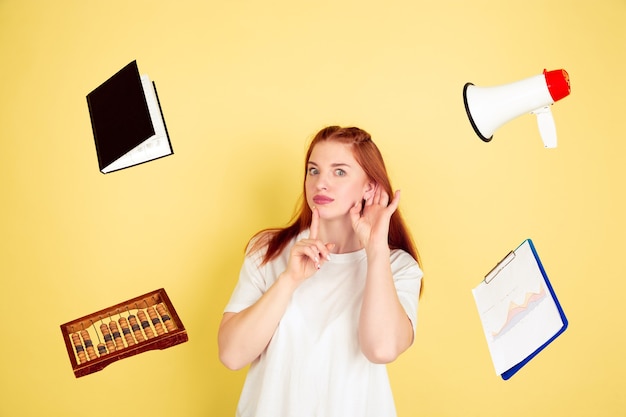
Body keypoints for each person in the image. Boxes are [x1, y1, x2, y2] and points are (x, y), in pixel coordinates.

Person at [218, 126, 423, 417]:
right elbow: (231, 355)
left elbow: (382, 349)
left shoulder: (398, 267)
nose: (320, 184)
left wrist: (376, 250)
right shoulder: (269, 251)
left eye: (339, 172)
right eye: (313, 171)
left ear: (369, 187)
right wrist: (289, 280)